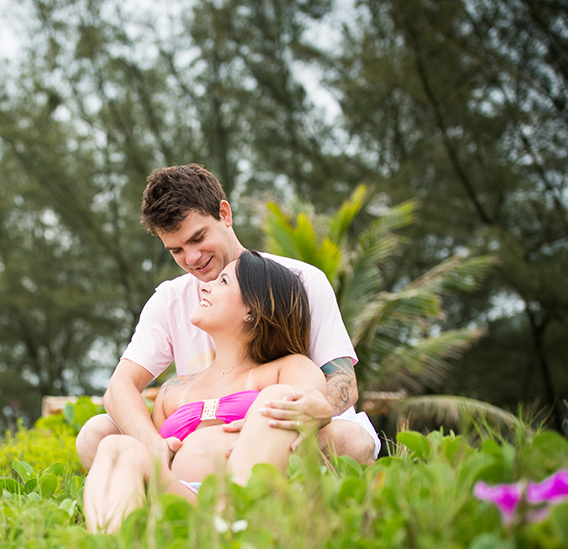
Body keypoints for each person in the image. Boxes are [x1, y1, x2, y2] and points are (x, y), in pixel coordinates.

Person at [76, 164, 379, 473]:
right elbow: (120, 387)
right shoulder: (170, 300)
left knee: (351, 439)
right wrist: (153, 444)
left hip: (286, 432)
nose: (191, 258)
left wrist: (285, 422)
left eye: (198, 238)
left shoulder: (300, 279)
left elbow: (343, 382)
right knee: (96, 435)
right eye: (176, 250)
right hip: (196, 443)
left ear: (224, 214)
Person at [84, 251, 330, 533]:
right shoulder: (174, 389)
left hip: (245, 495)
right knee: (116, 448)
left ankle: (232, 525)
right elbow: (157, 458)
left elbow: (307, 396)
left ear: (252, 308)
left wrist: (319, 408)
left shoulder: (285, 369)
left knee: (280, 398)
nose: (205, 285)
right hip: (179, 499)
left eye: (223, 282)